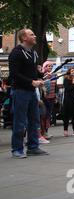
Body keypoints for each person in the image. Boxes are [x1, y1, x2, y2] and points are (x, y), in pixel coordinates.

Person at [8, 29, 49, 158]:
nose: (35, 36)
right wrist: (32, 82)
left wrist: (41, 76)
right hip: (20, 91)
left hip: (31, 92)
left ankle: (33, 147)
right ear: (24, 38)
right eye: (32, 34)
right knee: (20, 121)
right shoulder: (16, 53)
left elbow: (32, 72)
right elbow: (14, 74)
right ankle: (17, 149)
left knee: (34, 120)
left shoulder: (33, 53)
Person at [62, 67, 74, 137]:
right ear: (69, 72)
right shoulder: (66, 79)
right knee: (66, 115)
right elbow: (67, 89)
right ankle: (65, 130)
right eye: (72, 70)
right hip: (68, 100)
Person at [41, 61, 57, 140]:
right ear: (44, 67)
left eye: (51, 66)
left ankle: (46, 132)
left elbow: (55, 87)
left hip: (52, 97)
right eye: (48, 66)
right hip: (44, 98)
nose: (50, 68)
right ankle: (42, 133)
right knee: (44, 115)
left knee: (48, 115)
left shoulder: (54, 75)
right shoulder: (43, 75)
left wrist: (55, 96)